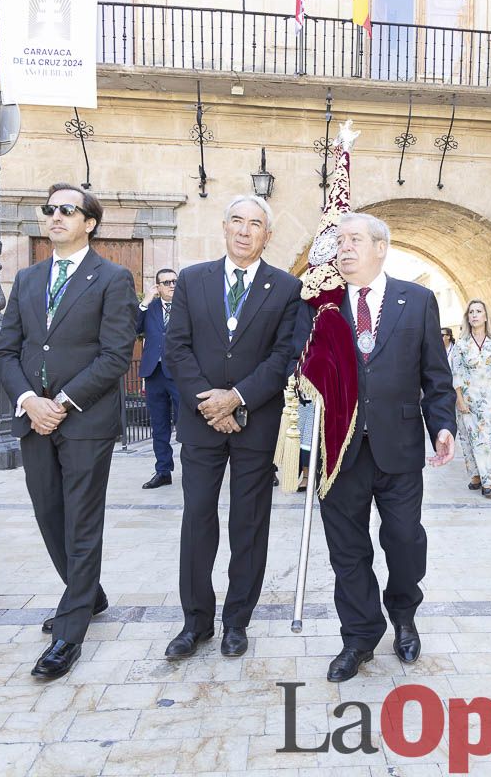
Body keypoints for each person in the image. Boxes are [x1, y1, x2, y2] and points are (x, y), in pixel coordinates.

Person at [293, 212, 456, 682]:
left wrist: (442, 425)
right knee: (347, 549)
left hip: (399, 445)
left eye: (355, 240)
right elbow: (295, 361)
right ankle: (359, 636)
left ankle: (403, 614)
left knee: (404, 540)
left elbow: (436, 376)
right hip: (337, 448)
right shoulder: (319, 305)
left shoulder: (418, 300)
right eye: (339, 241)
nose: (344, 248)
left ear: (380, 247)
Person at [0, 183, 138, 680]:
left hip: (85, 421)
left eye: (67, 210)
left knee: (80, 519)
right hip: (34, 418)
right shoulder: (28, 278)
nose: (55, 217)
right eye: (50, 209)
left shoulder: (113, 278)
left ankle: (69, 631)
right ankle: (89, 593)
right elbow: (6, 349)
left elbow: (116, 355)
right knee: (48, 513)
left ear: (89, 223)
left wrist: (61, 402)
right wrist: (29, 401)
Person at [162, 195, 301, 660]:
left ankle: (236, 621)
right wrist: (210, 402)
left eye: (255, 224)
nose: (244, 231)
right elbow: (175, 347)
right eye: (237, 221)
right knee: (197, 519)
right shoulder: (192, 280)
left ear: (268, 235)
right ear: (224, 228)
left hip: (254, 423)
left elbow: (283, 356)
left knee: (249, 524)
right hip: (201, 423)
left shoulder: (285, 288)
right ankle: (195, 622)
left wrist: (237, 398)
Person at [451, 299, 491, 498]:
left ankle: (489, 481)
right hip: (469, 400)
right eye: (471, 312)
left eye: (478, 311)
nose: (474, 315)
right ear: (467, 317)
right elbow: (456, 373)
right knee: (470, 440)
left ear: (486, 316)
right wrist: (459, 399)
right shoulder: (461, 344)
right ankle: (476, 475)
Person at [137, 268, 181, 489]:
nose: (171, 285)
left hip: (179, 374)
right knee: (159, 425)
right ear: (158, 287)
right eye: (166, 282)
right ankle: (163, 470)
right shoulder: (150, 308)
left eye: (174, 281)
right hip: (154, 373)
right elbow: (134, 328)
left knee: (184, 423)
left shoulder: (187, 306)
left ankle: (193, 469)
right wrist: (145, 300)